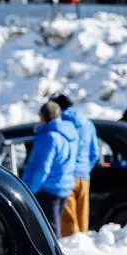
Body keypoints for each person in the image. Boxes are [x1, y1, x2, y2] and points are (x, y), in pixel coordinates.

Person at [21, 101, 78, 238]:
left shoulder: (49, 137)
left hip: (47, 189)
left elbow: (42, 167)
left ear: (43, 116)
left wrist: (30, 189)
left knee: (49, 231)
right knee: (54, 224)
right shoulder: (70, 133)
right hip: (64, 185)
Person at [52, 95, 99, 236]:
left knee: (68, 222)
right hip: (84, 177)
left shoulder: (61, 123)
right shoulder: (88, 124)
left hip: (67, 176)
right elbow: (95, 152)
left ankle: (74, 253)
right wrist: (85, 168)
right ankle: (84, 248)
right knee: (82, 218)